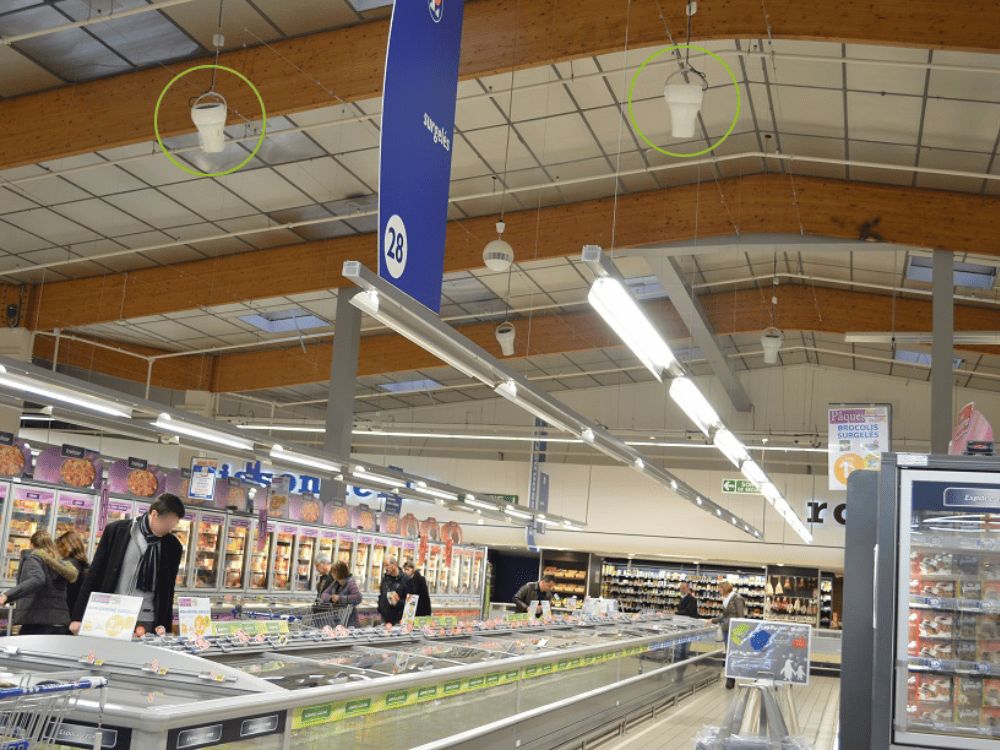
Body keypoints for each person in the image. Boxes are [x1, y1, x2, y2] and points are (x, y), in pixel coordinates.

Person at [70, 493, 186, 636]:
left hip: (147, 620)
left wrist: (165, 629)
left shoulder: (173, 546)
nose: (170, 529)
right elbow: (94, 574)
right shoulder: (117, 531)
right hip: (110, 614)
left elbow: (168, 590)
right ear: (154, 514)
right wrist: (78, 616)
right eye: (168, 523)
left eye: (174, 524)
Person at [0, 530, 79, 635]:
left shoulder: (34, 558)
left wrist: (7, 595)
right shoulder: (58, 561)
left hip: (37, 622)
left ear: (31, 544)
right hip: (60, 623)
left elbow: (37, 580)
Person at [711, 580, 746, 689]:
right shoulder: (726, 600)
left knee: (732, 655)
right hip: (726, 629)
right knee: (729, 654)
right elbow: (724, 616)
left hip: (734, 631)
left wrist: (739, 633)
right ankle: (729, 678)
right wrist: (713, 620)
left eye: (720, 589)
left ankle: (731, 680)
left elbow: (741, 617)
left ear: (725, 588)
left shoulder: (737, 599)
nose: (719, 591)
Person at [316, 561, 363, 628]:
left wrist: (340, 598)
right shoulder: (335, 583)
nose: (331, 574)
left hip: (349, 621)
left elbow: (358, 597)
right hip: (338, 619)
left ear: (338, 573)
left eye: (333, 572)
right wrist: (331, 598)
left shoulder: (350, 584)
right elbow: (324, 594)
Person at [57, 530, 90, 614]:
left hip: (64, 611)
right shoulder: (85, 565)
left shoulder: (66, 565)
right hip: (78, 611)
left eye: (60, 547)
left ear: (67, 547)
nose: (58, 551)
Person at [377, 556, 411, 626]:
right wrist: (380, 608)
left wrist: (398, 602)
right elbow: (382, 595)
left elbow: (411, 601)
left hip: (399, 619)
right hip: (385, 618)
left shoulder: (406, 579)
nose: (386, 568)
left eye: (388, 565)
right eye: (385, 566)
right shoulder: (385, 579)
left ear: (395, 565)